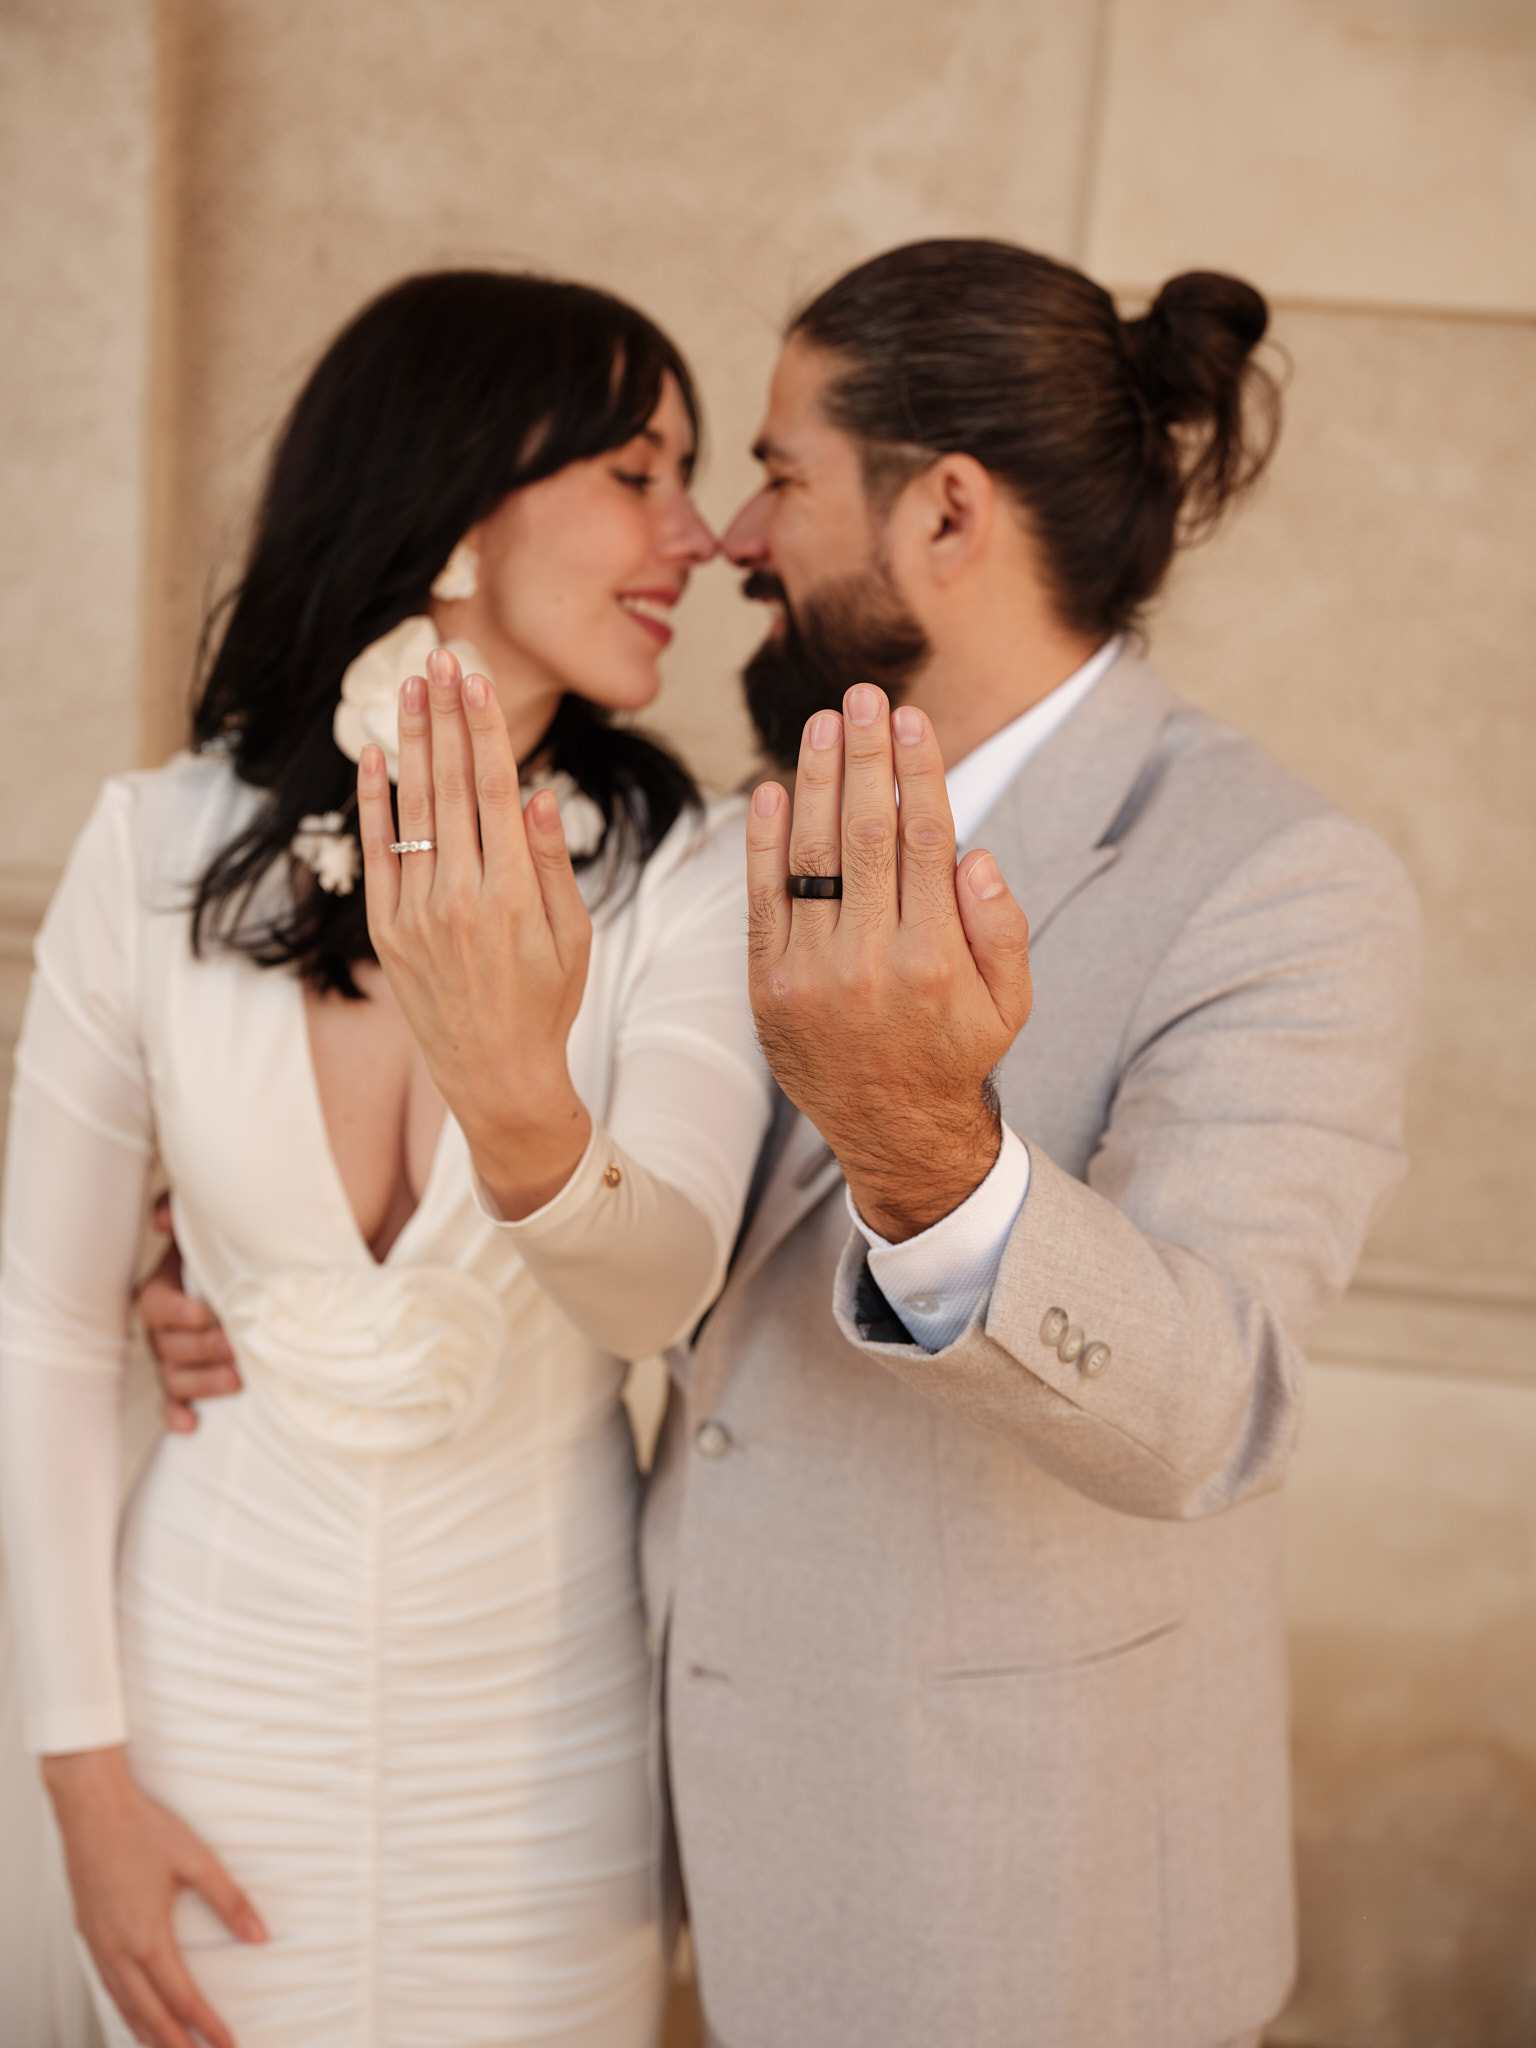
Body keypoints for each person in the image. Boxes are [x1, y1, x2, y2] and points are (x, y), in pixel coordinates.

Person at [143, 240, 1421, 2048]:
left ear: (948, 515)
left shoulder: (1272, 876)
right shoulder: (741, 842)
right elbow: (623, 1231)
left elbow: (1213, 1413)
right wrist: (210, 1260)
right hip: (672, 1848)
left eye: (778, 472)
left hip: (1026, 1903)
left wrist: (931, 1157)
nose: (733, 537)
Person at [0, 270, 769, 2048]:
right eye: (637, 474)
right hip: (202, 1678)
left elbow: (663, 1283)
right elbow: (45, 1328)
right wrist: (82, 1782)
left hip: (545, 1726)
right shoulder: (155, 849)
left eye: (698, 477)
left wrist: (517, 1083)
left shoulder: (689, 874)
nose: (698, 534)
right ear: (456, 501)